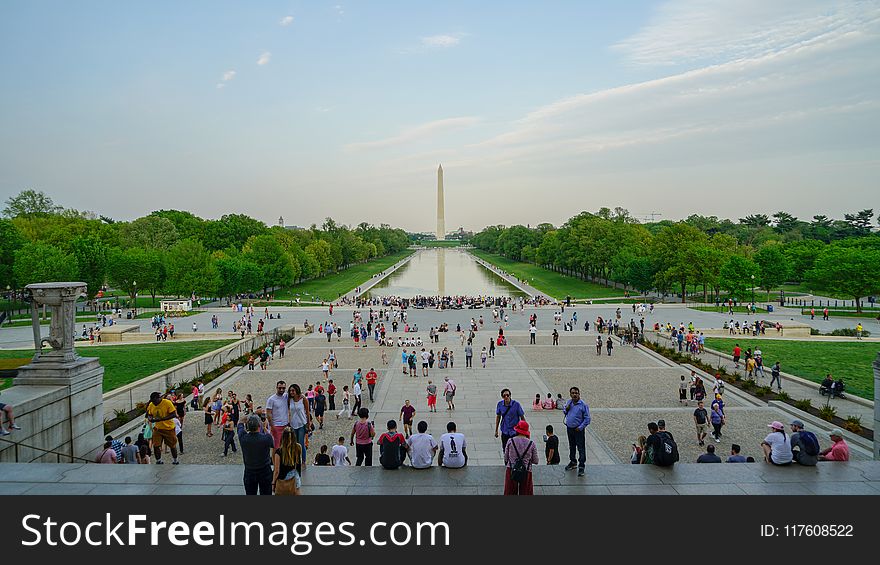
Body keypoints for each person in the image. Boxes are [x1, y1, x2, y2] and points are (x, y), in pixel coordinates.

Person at [237, 414, 275, 495]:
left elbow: (240, 424)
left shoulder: (243, 438)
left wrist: (246, 418)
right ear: (259, 425)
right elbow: (273, 443)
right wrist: (264, 427)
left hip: (249, 470)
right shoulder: (266, 439)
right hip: (265, 470)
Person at [503, 420, 539, 495]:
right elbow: (536, 461)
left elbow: (506, 458)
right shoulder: (531, 444)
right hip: (526, 470)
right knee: (526, 492)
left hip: (511, 469)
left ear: (517, 430)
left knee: (510, 492)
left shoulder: (510, 441)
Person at [563, 386, 590, 477]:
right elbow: (564, 411)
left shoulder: (583, 405)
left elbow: (587, 419)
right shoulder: (569, 402)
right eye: (573, 393)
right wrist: (566, 409)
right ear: (570, 394)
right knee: (571, 446)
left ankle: (581, 465)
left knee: (581, 447)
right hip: (569, 428)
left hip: (578, 430)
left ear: (579, 394)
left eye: (576, 393)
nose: (574, 394)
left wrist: (580, 427)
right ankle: (573, 462)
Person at [146, 391, 180, 465]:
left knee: (172, 445)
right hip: (158, 428)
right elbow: (149, 414)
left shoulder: (167, 403)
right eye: (152, 401)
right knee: (156, 445)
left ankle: (175, 460)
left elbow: (174, 414)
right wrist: (150, 418)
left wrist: (162, 419)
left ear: (159, 398)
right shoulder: (151, 404)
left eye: (155, 401)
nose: (154, 403)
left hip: (168, 428)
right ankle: (159, 460)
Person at [272, 427, 302, 495]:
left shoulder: (279, 452)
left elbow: (276, 471)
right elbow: (298, 462)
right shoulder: (298, 447)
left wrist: (273, 483)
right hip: (295, 476)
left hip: (283, 479)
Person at [287, 384, 312, 465]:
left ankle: (303, 461)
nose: (291, 392)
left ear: (297, 390)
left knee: (301, 443)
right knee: (294, 443)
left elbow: (307, 412)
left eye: (293, 390)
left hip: (302, 424)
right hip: (293, 424)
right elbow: (288, 411)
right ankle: (296, 460)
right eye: (290, 391)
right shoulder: (289, 399)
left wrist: (308, 425)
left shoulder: (303, 399)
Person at [266, 380, 290, 449]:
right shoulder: (271, 399)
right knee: (276, 447)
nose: (281, 390)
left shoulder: (286, 396)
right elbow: (268, 413)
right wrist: (272, 426)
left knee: (285, 445)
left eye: (283, 388)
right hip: (276, 426)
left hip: (285, 425)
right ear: (276, 388)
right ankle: (275, 460)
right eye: (280, 388)